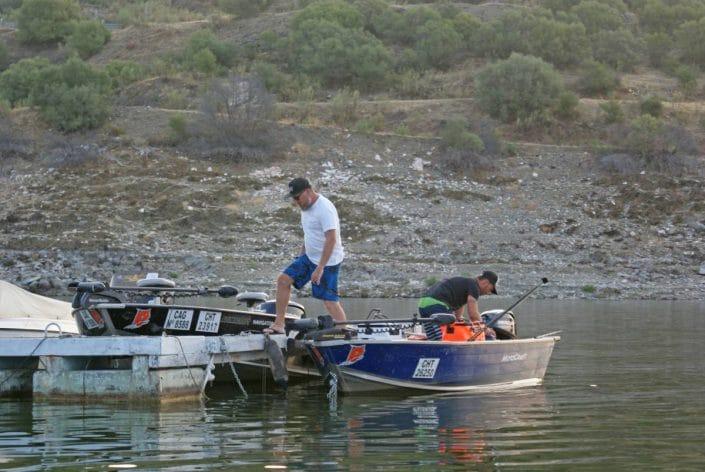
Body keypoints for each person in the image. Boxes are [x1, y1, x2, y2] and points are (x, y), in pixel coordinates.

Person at [265, 177, 346, 334]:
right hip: (309, 257)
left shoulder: (325, 209)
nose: (296, 202)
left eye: (297, 197)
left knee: (329, 301)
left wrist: (320, 268)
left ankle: (345, 332)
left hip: (328, 261)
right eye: (293, 199)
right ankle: (279, 325)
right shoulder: (305, 207)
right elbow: (310, 233)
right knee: (283, 280)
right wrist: (301, 255)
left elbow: (331, 239)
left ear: (308, 191)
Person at [417, 271, 498, 340]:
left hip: (423, 304)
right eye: (490, 289)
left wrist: (460, 319)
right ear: (485, 283)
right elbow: (473, 315)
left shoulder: (463, 284)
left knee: (434, 338)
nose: (488, 293)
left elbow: (458, 311)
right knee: (447, 337)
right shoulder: (474, 286)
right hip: (438, 305)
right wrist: (485, 328)